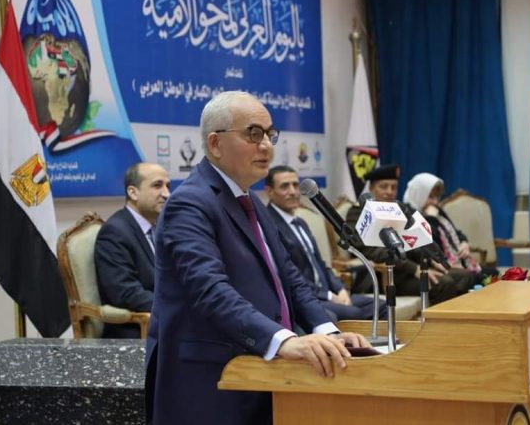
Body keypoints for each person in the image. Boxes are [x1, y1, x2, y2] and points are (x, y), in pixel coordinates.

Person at [144, 91, 369, 425]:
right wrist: (282, 340)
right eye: (253, 133)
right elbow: (210, 290)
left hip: (261, 370)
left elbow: (289, 277)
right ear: (215, 143)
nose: (266, 145)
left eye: (269, 134)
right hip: (212, 381)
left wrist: (327, 331)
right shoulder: (189, 204)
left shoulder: (250, 201)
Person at [265, 165, 387, 321]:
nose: (293, 191)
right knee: (353, 313)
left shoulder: (300, 222)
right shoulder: (269, 225)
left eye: (295, 185)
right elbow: (288, 275)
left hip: (328, 294)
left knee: (381, 306)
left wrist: (340, 289)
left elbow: (321, 264)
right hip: (304, 299)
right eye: (285, 186)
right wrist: (330, 296)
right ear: (269, 191)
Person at [345, 164, 473, 304]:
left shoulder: (396, 209)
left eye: (394, 187)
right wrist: (414, 269)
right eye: (384, 187)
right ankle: (435, 319)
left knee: (464, 276)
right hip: (384, 275)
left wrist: (431, 261)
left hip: (410, 269)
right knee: (443, 284)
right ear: (371, 188)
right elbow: (372, 251)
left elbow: (413, 240)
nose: (389, 192)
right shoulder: (358, 213)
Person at [94, 162, 170, 338]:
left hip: (164, 321)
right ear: (133, 192)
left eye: (168, 186)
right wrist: (175, 306)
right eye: (157, 186)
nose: (167, 194)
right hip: (135, 330)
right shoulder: (115, 232)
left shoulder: (159, 227)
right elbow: (125, 293)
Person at [403, 173, 497, 285]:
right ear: (419, 195)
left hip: (460, 262)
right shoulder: (410, 216)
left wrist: (464, 243)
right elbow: (430, 245)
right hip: (439, 266)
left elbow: (457, 232)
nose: (435, 202)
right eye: (431, 197)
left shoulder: (437, 211)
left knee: (493, 273)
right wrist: (431, 219)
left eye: (437, 197)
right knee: (473, 277)